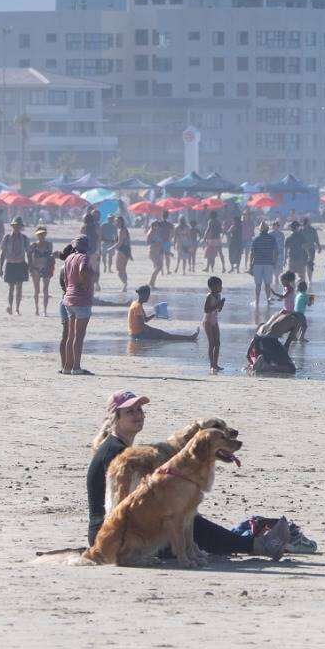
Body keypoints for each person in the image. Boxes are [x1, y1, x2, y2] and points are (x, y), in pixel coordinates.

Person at [85, 391, 288, 560]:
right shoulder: (118, 454)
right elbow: (125, 508)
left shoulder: (118, 447)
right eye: (130, 411)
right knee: (183, 519)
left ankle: (249, 543)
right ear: (116, 418)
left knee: (185, 517)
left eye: (140, 409)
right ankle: (257, 546)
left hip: (113, 533)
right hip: (115, 536)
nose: (138, 414)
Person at [59, 235, 98, 375]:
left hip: (68, 299)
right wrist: (85, 284)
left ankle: (67, 367)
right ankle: (76, 367)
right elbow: (82, 270)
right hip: (81, 299)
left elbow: (65, 278)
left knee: (70, 335)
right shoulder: (83, 258)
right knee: (79, 335)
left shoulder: (68, 258)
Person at [127, 285, 198, 342]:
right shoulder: (138, 306)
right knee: (165, 336)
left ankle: (189, 338)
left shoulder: (136, 303)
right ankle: (190, 338)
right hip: (138, 334)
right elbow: (141, 325)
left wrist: (155, 314)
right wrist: (153, 332)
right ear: (143, 294)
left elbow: (145, 320)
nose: (148, 297)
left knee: (164, 334)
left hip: (135, 332)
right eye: (148, 295)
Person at [0, 216, 29, 314]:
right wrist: (0, 268)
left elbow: (29, 253)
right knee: (11, 288)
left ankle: (17, 309)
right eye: (15, 225)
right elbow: (3, 254)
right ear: (12, 226)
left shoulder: (24, 238)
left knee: (19, 287)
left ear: (20, 227)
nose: (16, 227)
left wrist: (30, 266)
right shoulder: (7, 238)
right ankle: (10, 306)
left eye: (18, 226)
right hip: (10, 264)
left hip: (20, 264)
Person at [248, 222, 278, 317]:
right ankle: (268, 300)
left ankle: (257, 301)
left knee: (258, 284)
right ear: (267, 229)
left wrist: (250, 265)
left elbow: (252, 253)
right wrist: (274, 262)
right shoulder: (272, 239)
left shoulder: (256, 239)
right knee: (267, 284)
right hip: (268, 263)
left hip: (257, 263)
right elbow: (276, 252)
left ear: (260, 230)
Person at [28, 225, 56, 315]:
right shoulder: (34, 245)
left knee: (46, 290)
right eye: (40, 234)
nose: (41, 236)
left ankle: (45, 310)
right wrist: (30, 267)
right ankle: (36, 309)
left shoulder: (49, 245)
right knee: (37, 290)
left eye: (43, 234)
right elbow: (28, 255)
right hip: (35, 269)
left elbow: (50, 256)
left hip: (46, 268)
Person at [204, 276, 225, 373]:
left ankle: (216, 364)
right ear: (213, 287)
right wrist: (217, 305)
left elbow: (219, 310)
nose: (221, 287)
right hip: (207, 321)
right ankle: (211, 365)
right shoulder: (209, 296)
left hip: (215, 321)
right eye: (219, 285)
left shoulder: (219, 296)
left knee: (218, 343)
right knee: (211, 343)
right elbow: (206, 310)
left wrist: (221, 304)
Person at [113, 216, 133, 290]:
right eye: (116, 221)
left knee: (119, 269)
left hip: (122, 251)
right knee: (122, 269)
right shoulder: (124, 230)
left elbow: (120, 243)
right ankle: (125, 285)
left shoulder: (121, 230)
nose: (116, 223)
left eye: (117, 221)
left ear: (121, 222)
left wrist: (110, 248)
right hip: (126, 251)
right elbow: (128, 242)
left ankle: (125, 284)